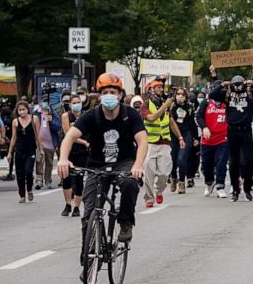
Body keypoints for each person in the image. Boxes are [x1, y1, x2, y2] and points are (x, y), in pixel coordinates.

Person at [57, 73, 146, 248]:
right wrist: (62, 159)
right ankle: (87, 257)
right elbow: (69, 137)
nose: (109, 96)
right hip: (97, 164)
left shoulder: (130, 115)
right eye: (105, 92)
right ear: (99, 96)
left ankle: (126, 223)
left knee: (129, 183)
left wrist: (138, 165)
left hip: (124, 161)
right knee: (89, 212)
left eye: (113, 91)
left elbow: (142, 141)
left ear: (120, 95)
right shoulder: (91, 116)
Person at [208, 73, 253, 202]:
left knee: (248, 160)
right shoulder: (227, 93)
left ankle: (247, 188)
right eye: (235, 85)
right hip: (232, 131)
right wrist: (222, 85)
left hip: (246, 130)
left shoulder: (249, 93)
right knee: (234, 163)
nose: (238, 88)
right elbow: (212, 95)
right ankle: (235, 189)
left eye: (239, 85)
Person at [140, 78, 184, 208]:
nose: (160, 89)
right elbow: (152, 118)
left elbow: (171, 122)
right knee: (148, 173)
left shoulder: (164, 104)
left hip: (164, 143)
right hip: (150, 144)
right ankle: (149, 198)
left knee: (165, 173)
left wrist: (180, 137)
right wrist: (166, 106)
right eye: (157, 87)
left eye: (161, 87)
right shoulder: (145, 105)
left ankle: (159, 191)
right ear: (151, 89)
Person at [7, 100, 43, 203]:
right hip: (19, 150)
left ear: (28, 109)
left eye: (24, 109)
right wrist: (10, 152)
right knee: (19, 173)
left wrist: (41, 149)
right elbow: (14, 138)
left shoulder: (34, 119)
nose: (22, 112)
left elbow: (38, 135)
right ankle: (22, 195)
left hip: (30, 150)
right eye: (20, 110)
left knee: (28, 171)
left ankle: (30, 189)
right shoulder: (15, 121)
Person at [196, 88, 229, 198]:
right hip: (207, 139)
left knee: (221, 163)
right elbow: (198, 116)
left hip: (223, 138)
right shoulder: (206, 103)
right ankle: (209, 183)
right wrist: (204, 127)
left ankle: (220, 186)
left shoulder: (227, 103)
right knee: (206, 165)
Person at [59, 94, 88, 216]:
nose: (76, 105)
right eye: (74, 103)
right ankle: (67, 204)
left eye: (78, 102)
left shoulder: (86, 115)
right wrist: (84, 142)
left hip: (82, 152)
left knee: (79, 178)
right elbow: (68, 134)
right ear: (70, 105)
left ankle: (76, 206)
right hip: (69, 150)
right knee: (67, 178)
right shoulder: (66, 116)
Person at [169, 88, 197, 194]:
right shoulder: (171, 106)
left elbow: (192, 123)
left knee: (181, 159)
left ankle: (181, 181)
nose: (180, 96)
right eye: (178, 94)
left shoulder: (189, 107)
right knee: (172, 159)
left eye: (183, 95)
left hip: (186, 135)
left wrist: (195, 138)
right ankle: (174, 178)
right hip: (173, 135)